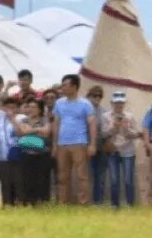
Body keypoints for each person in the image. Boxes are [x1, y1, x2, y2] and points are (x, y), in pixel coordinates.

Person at [51, 74, 97, 205]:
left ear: (74, 86)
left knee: (82, 175)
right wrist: (55, 144)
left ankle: (84, 204)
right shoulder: (59, 103)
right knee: (62, 175)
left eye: (65, 85)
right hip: (62, 144)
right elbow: (56, 123)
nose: (63, 87)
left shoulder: (85, 104)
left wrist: (92, 144)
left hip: (79, 142)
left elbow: (92, 124)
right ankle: (63, 203)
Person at [104, 92, 141, 207]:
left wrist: (126, 129)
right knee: (114, 180)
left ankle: (130, 204)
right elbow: (104, 134)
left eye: (121, 102)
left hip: (128, 151)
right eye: (116, 102)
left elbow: (137, 134)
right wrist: (114, 126)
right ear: (112, 103)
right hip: (112, 150)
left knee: (128, 180)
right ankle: (115, 205)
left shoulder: (130, 116)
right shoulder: (106, 116)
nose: (119, 105)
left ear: (124, 103)